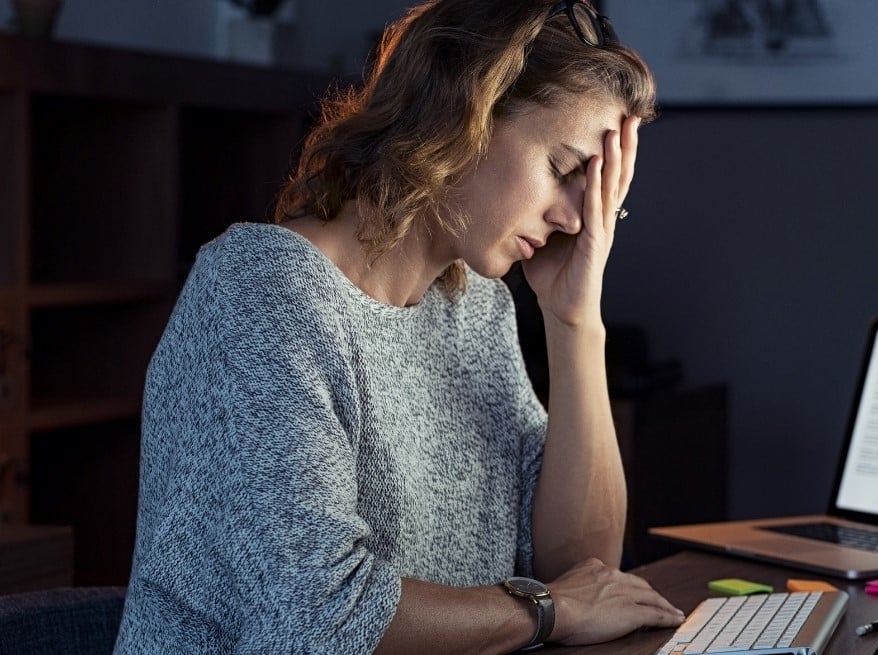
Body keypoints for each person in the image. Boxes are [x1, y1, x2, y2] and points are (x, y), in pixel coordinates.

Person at [113, 1, 685, 652]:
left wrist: (575, 320)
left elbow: (583, 574)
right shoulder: (260, 292)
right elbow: (319, 616)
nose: (578, 220)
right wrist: (547, 611)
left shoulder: (476, 309)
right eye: (564, 169)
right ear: (464, 112)